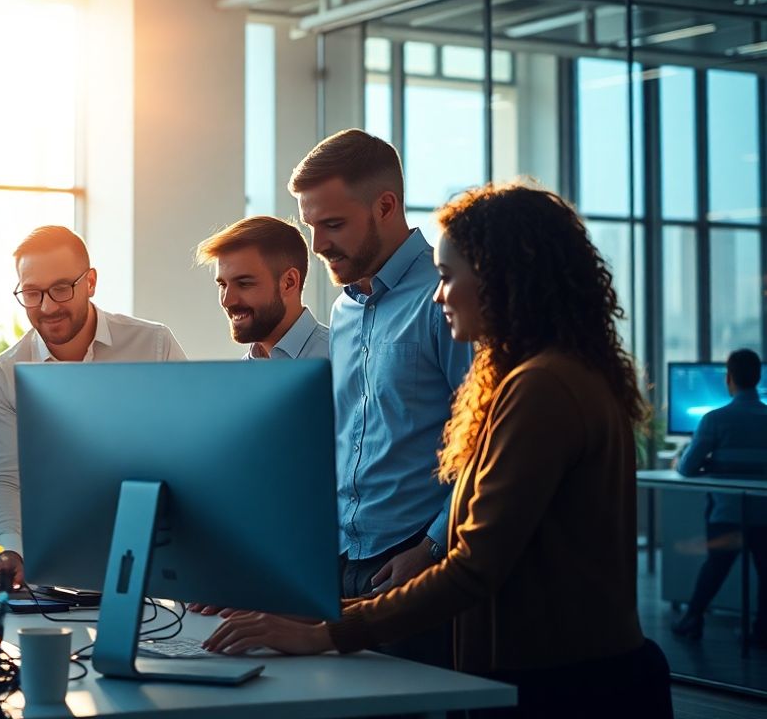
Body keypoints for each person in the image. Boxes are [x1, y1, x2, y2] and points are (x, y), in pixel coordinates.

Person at [204, 183, 673, 718]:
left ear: (501, 278)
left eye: (449, 277)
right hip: (550, 674)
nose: (438, 295)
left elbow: (474, 567)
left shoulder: (543, 387)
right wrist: (319, 614)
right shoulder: (543, 377)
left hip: (566, 689)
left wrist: (328, 630)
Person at [285, 129, 470, 666]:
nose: (318, 244)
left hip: (417, 559)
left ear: (385, 206)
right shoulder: (343, 311)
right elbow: (346, 439)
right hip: (343, 560)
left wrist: (434, 546)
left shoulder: (448, 297)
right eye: (311, 226)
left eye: (333, 224)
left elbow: (482, 441)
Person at [0, 226, 186, 590]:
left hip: (153, 555)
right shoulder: (9, 371)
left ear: (90, 282)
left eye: (61, 289)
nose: (47, 306)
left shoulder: (153, 345)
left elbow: (190, 451)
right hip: (52, 563)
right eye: (32, 293)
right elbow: (3, 477)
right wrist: (9, 550)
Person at [672, 349, 767, 645]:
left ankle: (693, 618)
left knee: (715, 567)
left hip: (727, 514)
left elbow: (687, 468)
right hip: (765, 515)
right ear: (758, 378)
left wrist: (710, 463)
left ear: (729, 379)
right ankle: (762, 632)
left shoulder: (715, 420)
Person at [195, 215, 329, 360]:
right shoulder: (240, 374)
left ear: (289, 282)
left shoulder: (343, 360)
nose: (227, 301)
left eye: (244, 283)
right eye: (223, 285)